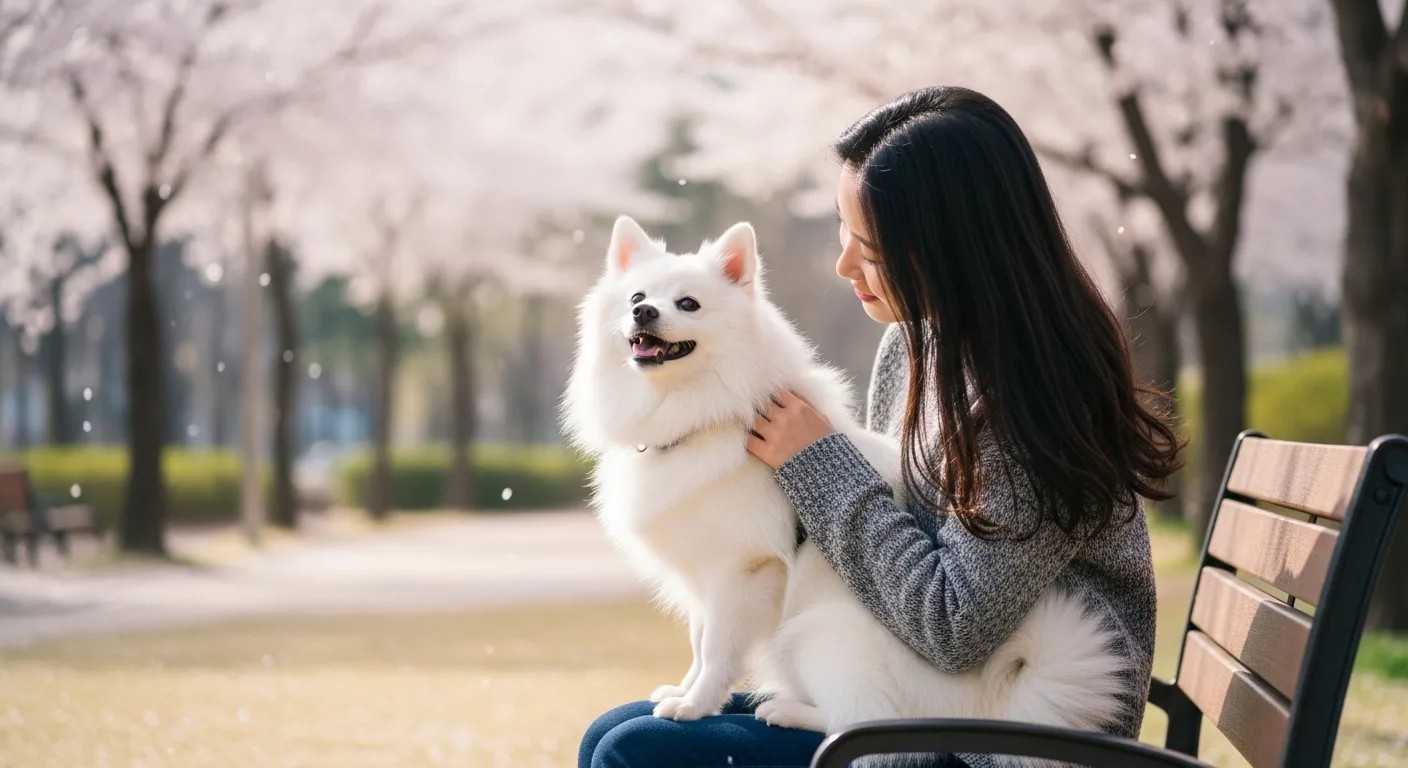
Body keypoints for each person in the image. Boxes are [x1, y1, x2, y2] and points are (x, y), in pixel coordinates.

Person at [578, 85, 1183, 768]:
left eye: (870, 247)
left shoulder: (1035, 399)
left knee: (635, 751)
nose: (844, 266)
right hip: (917, 693)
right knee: (613, 732)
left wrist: (818, 464)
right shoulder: (919, 346)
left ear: (949, 248)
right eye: (845, 231)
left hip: (1008, 739)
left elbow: (956, 628)